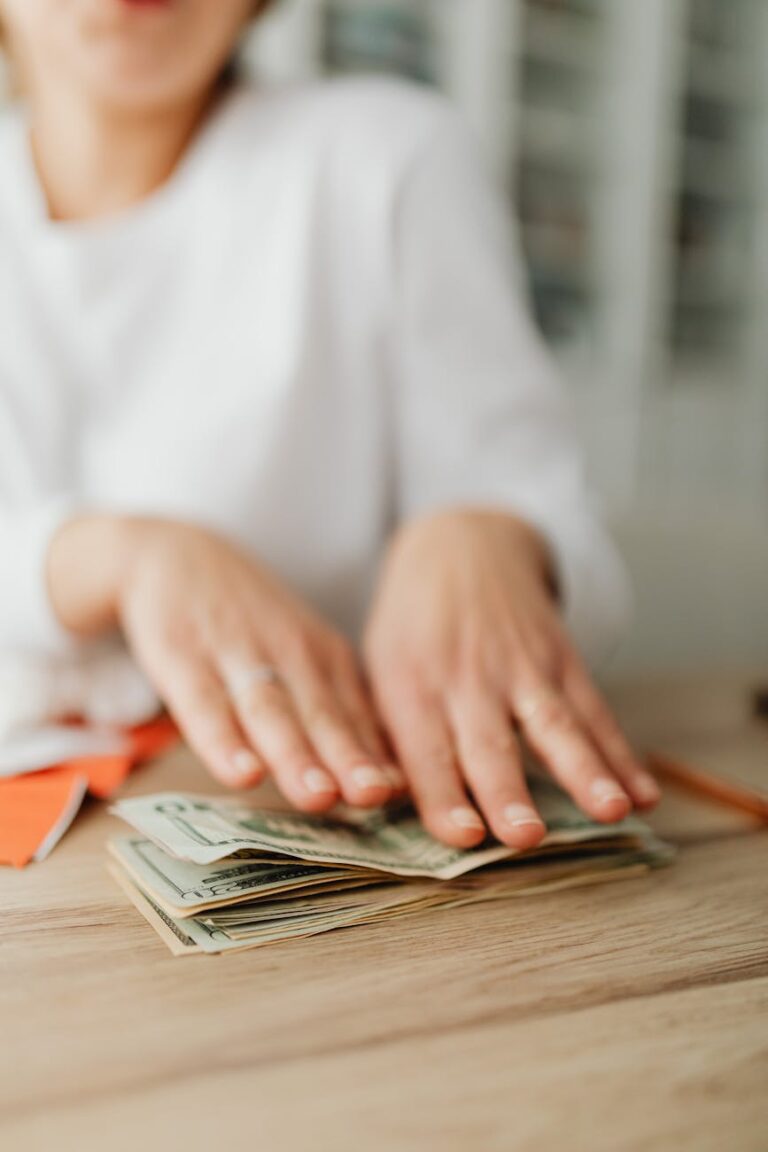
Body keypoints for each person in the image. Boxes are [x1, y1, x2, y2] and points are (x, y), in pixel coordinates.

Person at [0, 0, 660, 851]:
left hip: (336, 812)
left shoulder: (387, 156)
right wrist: (107, 556)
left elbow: (562, 527)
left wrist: (495, 532)